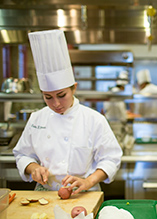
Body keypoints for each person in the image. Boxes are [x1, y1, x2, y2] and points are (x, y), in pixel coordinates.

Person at [13, 30, 123, 195]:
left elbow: (111, 159)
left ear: (74, 88)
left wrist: (88, 181)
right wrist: (33, 168)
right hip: (45, 194)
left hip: (84, 194)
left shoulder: (94, 119)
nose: (56, 103)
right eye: (48, 97)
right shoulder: (37, 118)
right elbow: (22, 154)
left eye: (62, 95)